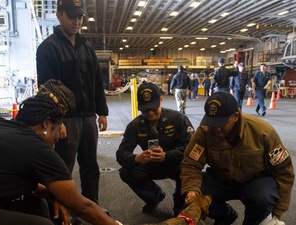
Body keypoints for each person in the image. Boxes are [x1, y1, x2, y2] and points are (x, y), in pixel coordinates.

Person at [0, 80, 121, 225]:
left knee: (36, 205)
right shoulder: (37, 149)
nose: (60, 136)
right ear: (47, 124)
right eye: (59, 128)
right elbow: (82, 205)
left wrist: (57, 195)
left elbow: (11, 181)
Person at [36, 0, 109, 210]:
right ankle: (63, 209)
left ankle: (91, 207)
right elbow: (48, 88)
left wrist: (102, 112)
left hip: (88, 118)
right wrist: (57, 119)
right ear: (59, 15)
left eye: (80, 17)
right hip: (66, 119)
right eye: (72, 16)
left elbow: (96, 81)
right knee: (63, 168)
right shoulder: (48, 48)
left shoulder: (87, 46)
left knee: (90, 166)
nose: (77, 22)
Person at [180, 91, 294, 225]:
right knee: (193, 195)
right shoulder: (204, 132)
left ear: (235, 116)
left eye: (221, 123)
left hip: (255, 180)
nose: (216, 128)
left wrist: (279, 209)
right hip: (221, 179)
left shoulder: (263, 131)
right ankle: (225, 215)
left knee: (263, 198)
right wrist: (191, 190)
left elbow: (284, 170)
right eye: (212, 122)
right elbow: (191, 164)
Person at [116, 82, 194, 216]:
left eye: (153, 108)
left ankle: (179, 204)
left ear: (161, 100)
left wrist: (167, 155)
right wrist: (136, 158)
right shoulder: (135, 126)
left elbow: (191, 147)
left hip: (177, 163)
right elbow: (121, 154)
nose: (150, 113)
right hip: (151, 164)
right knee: (126, 172)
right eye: (145, 109)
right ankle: (155, 197)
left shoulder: (178, 119)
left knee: (191, 171)